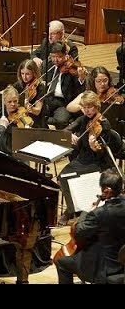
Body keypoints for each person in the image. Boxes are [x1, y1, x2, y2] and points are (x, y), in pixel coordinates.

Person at [56, 168, 125, 284]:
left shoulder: (99, 213)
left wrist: (87, 211)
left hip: (103, 267)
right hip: (122, 260)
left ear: (107, 190)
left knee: (61, 262)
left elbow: (79, 233)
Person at [58, 91, 114, 225]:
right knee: (62, 178)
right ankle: (74, 208)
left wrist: (95, 148)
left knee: (80, 180)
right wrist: (69, 135)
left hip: (98, 162)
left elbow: (102, 153)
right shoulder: (83, 119)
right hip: (82, 158)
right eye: (84, 107)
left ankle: (70, 211)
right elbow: (65, 130)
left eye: (90, 107)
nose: (87, 110)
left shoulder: (104, 125)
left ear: (97, 107)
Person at [43, 41, 86, 129]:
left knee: (61, 121)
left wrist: (81, 78)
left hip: (63, 102)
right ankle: (47, 122)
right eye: (53, 56)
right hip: (47, 99)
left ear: (66, 54)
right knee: (32, 113)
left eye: (59, 57)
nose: (55, 60)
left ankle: (47, 121)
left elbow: (79, 90)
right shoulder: (47, 65)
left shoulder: (71, 68)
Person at [12, 59, 48, 128]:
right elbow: (8, 92)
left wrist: (31, 108)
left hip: (35, 120)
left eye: (28, 74)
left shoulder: (40, 87)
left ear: (34, 73)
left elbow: (37, 111)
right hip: (20, 116)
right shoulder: (20, 84)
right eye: (22, 73)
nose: (24, 77)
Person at [0, 85, 22, 155]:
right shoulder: (1, 110)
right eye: (9, 102)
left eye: (15, 101)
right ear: (4, 102)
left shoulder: (22, 111)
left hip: (15, 144)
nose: (13, 104)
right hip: (1, 145)